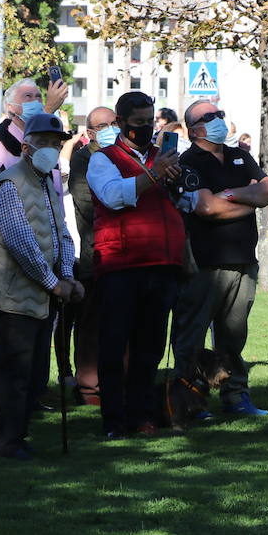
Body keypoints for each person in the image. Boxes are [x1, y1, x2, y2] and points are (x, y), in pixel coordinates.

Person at [0, 115, 81, 460]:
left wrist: (66, 274)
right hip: (12, 296)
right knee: (13, 374)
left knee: (35, 373)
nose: (53, 149)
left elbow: (61, 233)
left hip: (42, 295)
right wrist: (55, 283)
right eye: (46, 142)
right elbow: (21, 243)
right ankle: (8, 440)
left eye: (57, 143)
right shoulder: (10, 183)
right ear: (26, 147)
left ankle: (20, 434)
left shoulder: (46, 182)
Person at [87, 91, 187, 437]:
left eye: (150, 121)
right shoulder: (104, 158)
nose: (146, 128)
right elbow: (113, 196)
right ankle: (114, 420)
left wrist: (177, 184)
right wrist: (154, 176)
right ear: (121, 123)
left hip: (162, 262)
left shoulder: (164, 156)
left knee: (150, 347)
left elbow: (182, 203)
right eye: (139, 122)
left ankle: (141, 415)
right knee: (114, 345)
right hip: (121, 263)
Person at [171, 98, 268, 416]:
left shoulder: (239, 156)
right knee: (192, 334)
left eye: (221, 114)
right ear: (193, 129)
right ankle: (189, 398)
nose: (219, 119)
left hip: (243, 260)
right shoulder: (188, 162)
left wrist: (228, 195)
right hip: (204, 263)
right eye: (210, 116)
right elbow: (206, 208)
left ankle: (236, 395)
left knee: (233, 335)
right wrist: (248, 198)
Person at [65, 106, 116, 406]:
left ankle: (116, 382)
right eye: (103, 125)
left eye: (114, 123)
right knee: (90, 326)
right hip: (94, 254)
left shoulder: (122, 154)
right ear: (91, 131)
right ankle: (89, 389)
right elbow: (87, 203)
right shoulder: (83, 158)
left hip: (123, 254)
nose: (110, 129)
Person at [0, 78, 70, 170]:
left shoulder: (49, 141)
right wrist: (48, 109)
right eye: (28, 96)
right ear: (10, 107)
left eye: (38, 97)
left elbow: (54, 180)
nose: (35, 101)